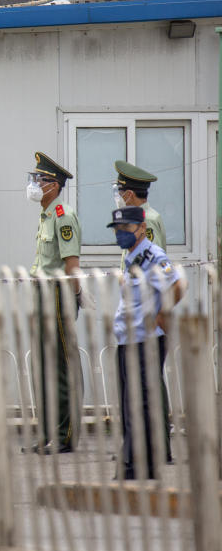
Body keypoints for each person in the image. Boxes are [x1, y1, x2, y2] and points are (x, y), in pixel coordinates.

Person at [108, 206, 184, 480]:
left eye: (126, 228)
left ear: (141, 228)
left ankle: (134, 463)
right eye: (117, 229)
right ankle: (143, 463)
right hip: (127, 339)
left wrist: (162, 313)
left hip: (145, 341)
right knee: (131, 403)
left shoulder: (153, 256)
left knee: (139, 403)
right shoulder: (132, 258)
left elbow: (177, 285)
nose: (120, 234)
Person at [25, 152, 84, 454]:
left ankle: (66, 434)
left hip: (58, 295)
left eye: (40, 179)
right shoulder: (46, 215)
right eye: (34, 178)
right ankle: (49, 432)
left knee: (61, 366)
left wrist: (73, 299)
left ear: (54, 185)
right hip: (41, 293)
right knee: (44, 365)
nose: (35, 184)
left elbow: (70, 264)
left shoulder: (63, 215)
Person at [113, 159, 166, 251]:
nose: (118, 198)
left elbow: (150, 260)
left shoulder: (147, 219)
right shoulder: (136, 217)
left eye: (120, 193)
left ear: (129, 194)